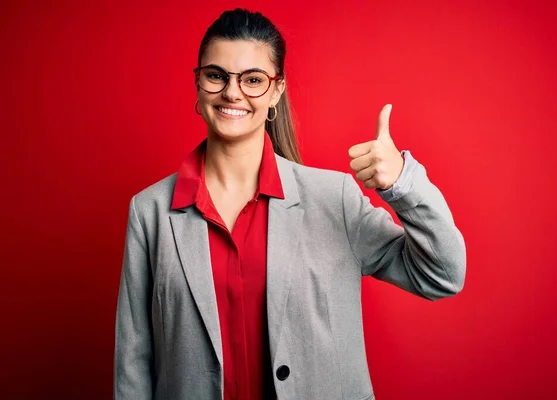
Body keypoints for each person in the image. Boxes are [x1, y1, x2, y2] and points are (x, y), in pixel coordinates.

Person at [113, 8, 466, 400]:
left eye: (252, 80)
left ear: (276, 90)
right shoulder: (150, 213)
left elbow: (443, 274)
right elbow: (134, 359)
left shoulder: (335, 199)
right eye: (216, 76)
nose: (233, 92)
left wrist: (403, 183)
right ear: (198, 83)